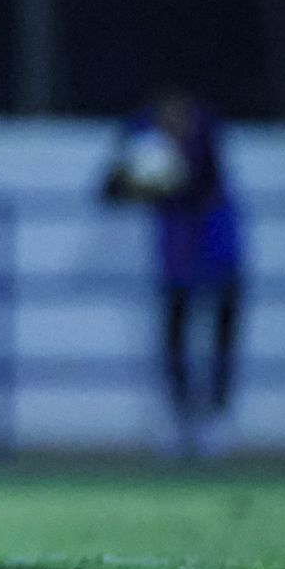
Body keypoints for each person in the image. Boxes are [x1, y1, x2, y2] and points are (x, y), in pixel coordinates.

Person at [102, 89, 244, 458]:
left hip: (217, 245)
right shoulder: (142, 133)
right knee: (175, 338)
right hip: (176, 254)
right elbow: (110, 191)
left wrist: (166, 180)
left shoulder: (208, 132)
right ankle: (180, 420)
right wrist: (135, 180)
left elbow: (203, 185)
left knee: (222, 336)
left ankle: (215, 419)